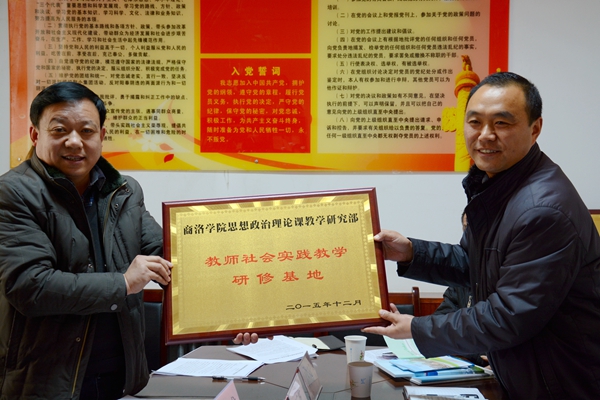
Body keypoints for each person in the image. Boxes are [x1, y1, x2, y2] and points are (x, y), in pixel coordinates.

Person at [0, 82, 258, 399]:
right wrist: (123, 283)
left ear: (101, 136)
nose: (74, 141)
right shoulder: (13, 193)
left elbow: (171, 260)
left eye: (86, 131)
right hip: (48, 382)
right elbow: (30, 286)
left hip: (121, 377)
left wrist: (234, 312)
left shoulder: (124, 191)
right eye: (59, 130)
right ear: (35, 135)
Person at [363, 72, 600, 398]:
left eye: (501, 123)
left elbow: (508, 316)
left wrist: (417, 328)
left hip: (560, 384)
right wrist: (411, 252)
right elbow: (476, 264)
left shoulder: (543, 210)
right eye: (475, 122)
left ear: (535, 129)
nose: (485, 135)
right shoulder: (501, 186)